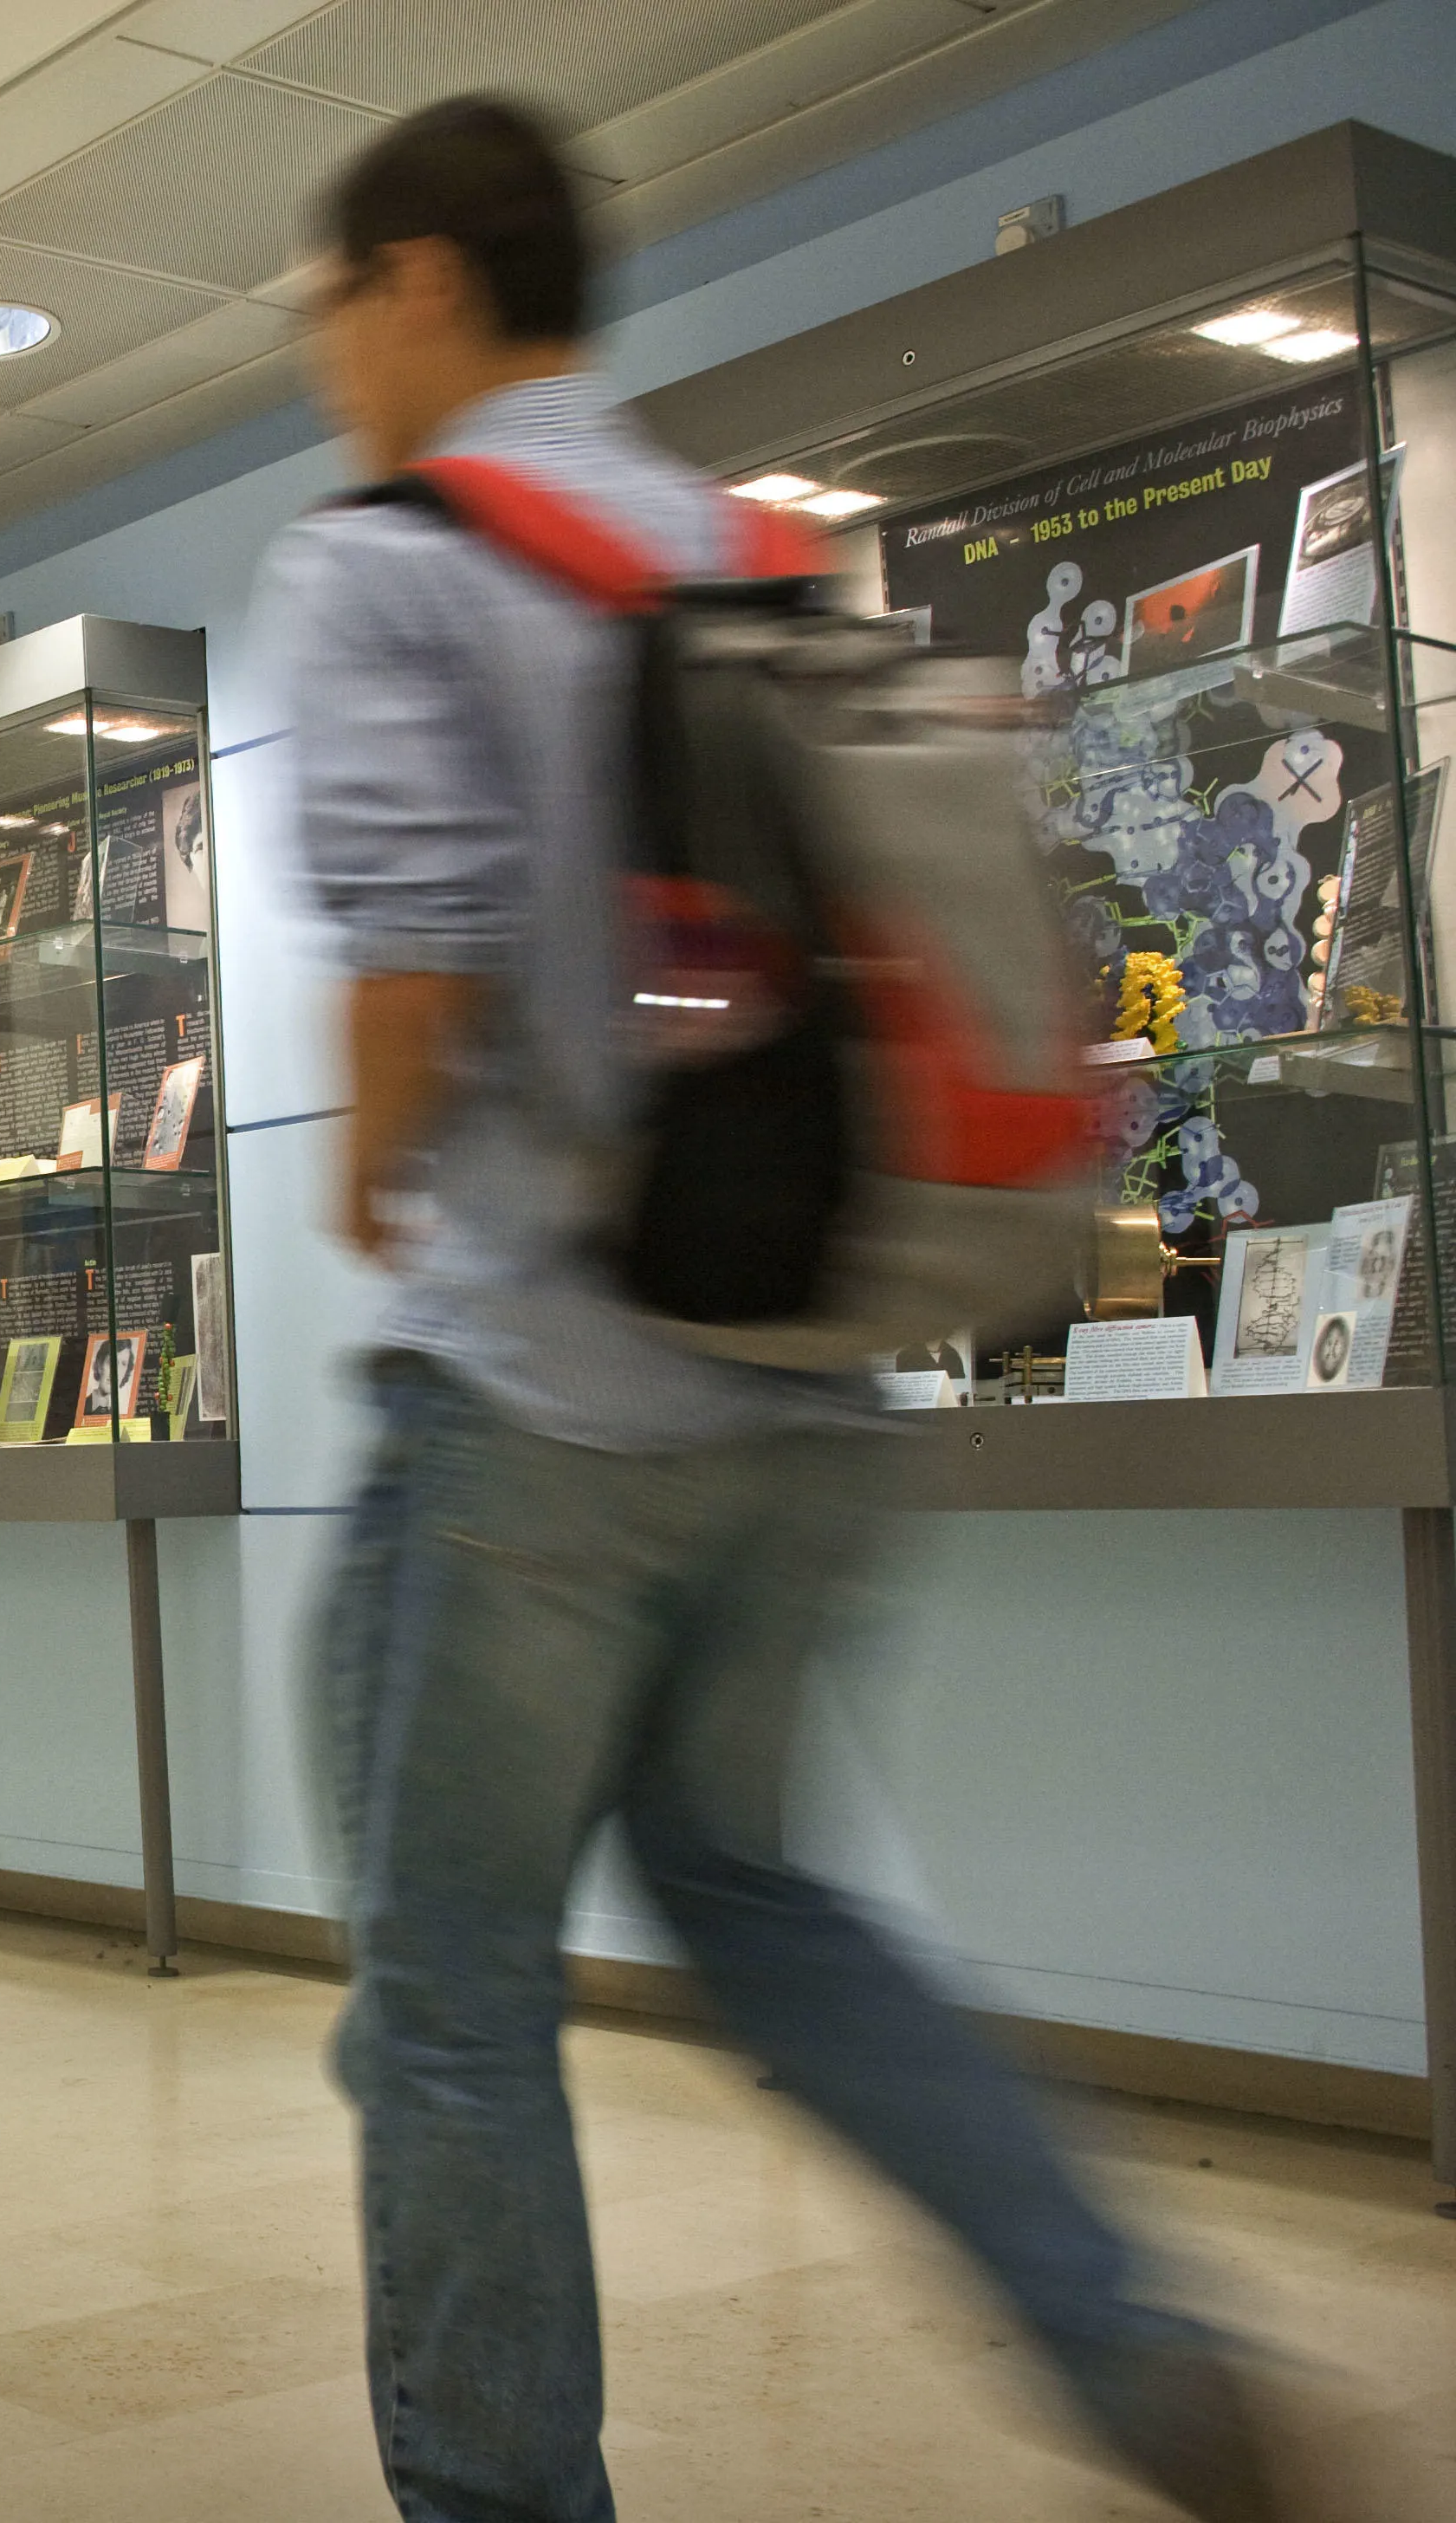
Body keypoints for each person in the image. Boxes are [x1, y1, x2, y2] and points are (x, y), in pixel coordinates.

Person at [270, 98, 1340, 2522]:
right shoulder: (744, 544)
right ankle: (1125, 2329)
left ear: (422, 279)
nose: (323, 358)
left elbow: (424, 944)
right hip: (811, 1382)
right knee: (763, 1896)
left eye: (328, 304)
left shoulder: (387, 562)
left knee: (447, 2008)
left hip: (539, 1401)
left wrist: (362, 1178)